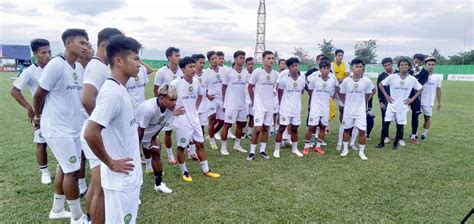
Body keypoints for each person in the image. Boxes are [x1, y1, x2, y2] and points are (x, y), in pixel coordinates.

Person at [84, 35, 143, 224]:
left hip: (129, 177)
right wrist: (110, 162)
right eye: (135, 58)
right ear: (118, 61)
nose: (139, 64)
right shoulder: (111, 92)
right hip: (121, 180)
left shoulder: (120, 89)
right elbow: (90, 132)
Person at [33, 28, 89, 222]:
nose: (86, 46)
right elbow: (39, 94)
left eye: (87, 43)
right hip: (57, 128)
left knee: (65, 169)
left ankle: (57, 210)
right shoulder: (56, 64)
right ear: (67, 44)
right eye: (81, 43)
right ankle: (77, 216)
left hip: (73, 127)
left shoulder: (79, 68)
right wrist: (38, 117)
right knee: (72, 172)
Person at [80, 27, 123, 224]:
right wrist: (102, 128)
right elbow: (87, 99)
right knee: (101, 191)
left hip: (91, 130)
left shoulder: (99, 65)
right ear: (105, 45)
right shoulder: (97, 67)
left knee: (96, 188)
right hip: (93, 132)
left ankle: (89, 219)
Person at [170, 56, 220, 182]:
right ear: (183, 69)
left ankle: (206, 170)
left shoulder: (197, 81)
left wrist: (195, 109)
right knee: (181, 147)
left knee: (200, 145)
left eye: (194, 66)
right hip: (182, 121)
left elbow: (200, 95)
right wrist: (173, 111)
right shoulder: (175, 83)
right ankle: (184, 171)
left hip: (194, 119)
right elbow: (164, 97)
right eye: (190, 67)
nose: (193, 69)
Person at [11, 38, 52, 184]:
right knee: (41, 143)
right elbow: (15, 90)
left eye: (49, 52)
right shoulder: (30, 72)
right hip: (41, 114)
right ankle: (45, 172)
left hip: (59, 113)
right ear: (35, 54)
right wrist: (29, 108)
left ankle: (62, 167)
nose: (47, 55)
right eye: (43, 53)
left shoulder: (55, 67)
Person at [136, 84, 179, 193]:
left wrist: (153, 138)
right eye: (172, 100)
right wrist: (136, 148)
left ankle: (158, 184)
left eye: (175, 100)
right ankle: (133, 193)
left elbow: (161, 124)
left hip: (148, 133)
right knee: (132, 164)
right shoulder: (149, 108)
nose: (174, 103)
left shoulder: (170, 108)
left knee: (156, 151)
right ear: (161, 98)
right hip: (133, 135)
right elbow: (140, 129)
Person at [376, 59, 423, 149]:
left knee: (400, 126)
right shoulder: (393, 77)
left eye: (406, 64)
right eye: (401, 65)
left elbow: (420, 89)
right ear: (398, 67)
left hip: (402, 106)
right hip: (392, 104)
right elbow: (380, 85)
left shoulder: (412, 79)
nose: (404, 66)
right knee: (386, 124)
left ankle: (395, 144)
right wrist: (386, 96)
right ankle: (381, 143)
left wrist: (412, 99)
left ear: (409, 67)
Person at [338, 58, 375, 160]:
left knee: (362, 131)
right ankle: (345, 149)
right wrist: (346, 101)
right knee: (346, 129)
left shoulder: (367, 81)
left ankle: (361, 152)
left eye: (360, 67)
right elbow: (340, 92)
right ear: (352, 68)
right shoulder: (346, 81)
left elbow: (369, 93)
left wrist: (364, 102)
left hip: (360, 111)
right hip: (349, 111)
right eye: (356, 67)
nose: (359, 69)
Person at [247, 51, 279, 161]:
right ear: (263, 59)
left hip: (269, 105)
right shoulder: (257, 72)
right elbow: (250, 87)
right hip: (259, 106)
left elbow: (276, 87)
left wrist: (274, 93)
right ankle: (251, 152)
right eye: (268, 58)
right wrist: (253, 100)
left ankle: (262, 151)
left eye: (272, 58)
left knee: (266, 128)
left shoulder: (275, 74)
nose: (271, 60)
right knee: (257, 129)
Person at [153, 47, 183, 164]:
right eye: (176, 55)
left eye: (179, 55)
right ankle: (170, 155)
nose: (178, 58)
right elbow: (156, 89)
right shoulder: (161, 71)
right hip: (167, 107)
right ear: (169, 57)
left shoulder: (182, 71)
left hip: (179, 105)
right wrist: (160, 104)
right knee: (168, 131)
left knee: (182, 128)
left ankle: (190, 151)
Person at [304, 60, 338, 155]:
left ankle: (318, 146)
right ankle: (306, 147)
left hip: (325, 108)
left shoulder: (331, 80)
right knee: (311, 127)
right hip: (315, 108)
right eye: (323, 68)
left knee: (323, 127)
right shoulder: (315, 79)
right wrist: (315, 100)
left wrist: (332, 96)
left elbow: (336, 88)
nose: (326, 70)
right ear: (320, 69)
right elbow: (310, 91)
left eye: (327, 68)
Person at [273, 57, 305, 158]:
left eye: (296, 65)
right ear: (289, 68)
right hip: (285, 109)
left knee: (295, 129)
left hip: (296, 109)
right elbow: (279, 94)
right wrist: (280, 107)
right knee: (281, 129)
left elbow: (302, 91)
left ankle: (295, 149)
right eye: (293, 66)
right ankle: (277, 150)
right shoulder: (283, 80)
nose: (295, 68)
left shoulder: (301, 79)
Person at [220, 50, 249, 155]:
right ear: (235, 58)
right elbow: (224, 87)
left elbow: (247, 88)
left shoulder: (246, 73)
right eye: (240, 57)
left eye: (243, 58)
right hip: (231, 104)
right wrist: (224, 102)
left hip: (242, 104)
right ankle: (223, 147)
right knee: (227, 125)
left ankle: (237, 145)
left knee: (241, 125)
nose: (242, 60)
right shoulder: (228, 72)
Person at [204, 51, 225, 150]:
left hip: (222, 99)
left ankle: (211, 134)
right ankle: (212, 140)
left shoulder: (224, 70)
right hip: (211, 99)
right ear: (209, 61)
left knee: (222, 121)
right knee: (212, 120)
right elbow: (203, 87)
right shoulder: (206, 72)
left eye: (216, 58)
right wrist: (207, 96)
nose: (215, 60)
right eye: (212, 59)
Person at [331, 49, 351, 151]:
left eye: (342, 55)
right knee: (328, 108)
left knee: (343, 108)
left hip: (343, 89)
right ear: (335, 56)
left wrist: (340, 80)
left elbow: (347, 76)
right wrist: (338, 80)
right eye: (339, 55)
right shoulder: (332, 65)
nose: (341, 57)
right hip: (334, 89)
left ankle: (342, 124)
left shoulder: (345, 64)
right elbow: (333, 78)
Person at [408, 53, 429, 144]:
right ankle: (399, 134)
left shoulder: (424, 72)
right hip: (405, 96)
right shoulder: (408, 70)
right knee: (399, 115)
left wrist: (416, 74)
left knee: (415, 116)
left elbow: (420, 84)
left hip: (416, 97)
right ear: (413, 61)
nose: (417, 62)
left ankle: (413, 136)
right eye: (416, 60)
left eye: (419, 61)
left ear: (422, 62)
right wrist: (412, 72)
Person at [377, 57, 398, 145]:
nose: (387, 67)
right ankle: (385, 136)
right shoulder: (381, 76)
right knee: (385, 120)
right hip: (386, 102)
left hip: (398, 101)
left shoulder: (398, 73)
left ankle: (399, 137)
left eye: (388, 65)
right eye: (385, 66)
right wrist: (381, 102)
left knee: (399, 119)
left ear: (392, 64)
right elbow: (379, 90)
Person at [420, 56, 442, 141]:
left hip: (428, 101)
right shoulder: (420, 75)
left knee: (427, 118)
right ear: (426, 65)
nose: (431, 66)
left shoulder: (437, 77)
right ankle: (413, 134)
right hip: (418, 100)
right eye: (429, 64)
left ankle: (424, 134)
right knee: (415, 118)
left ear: (435, 65)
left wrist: (439, 103)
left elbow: (438, 90)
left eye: (433, 64)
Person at [245, 57, 255, 139]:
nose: (251, 65)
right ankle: (241, 132)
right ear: (246, 65)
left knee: (252, 116)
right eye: (249, 64)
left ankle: (249, 133)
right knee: (244, 117)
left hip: (253, 99)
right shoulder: (243, 73)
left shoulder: (256, 74)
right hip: (244, 99)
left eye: (252, 64)